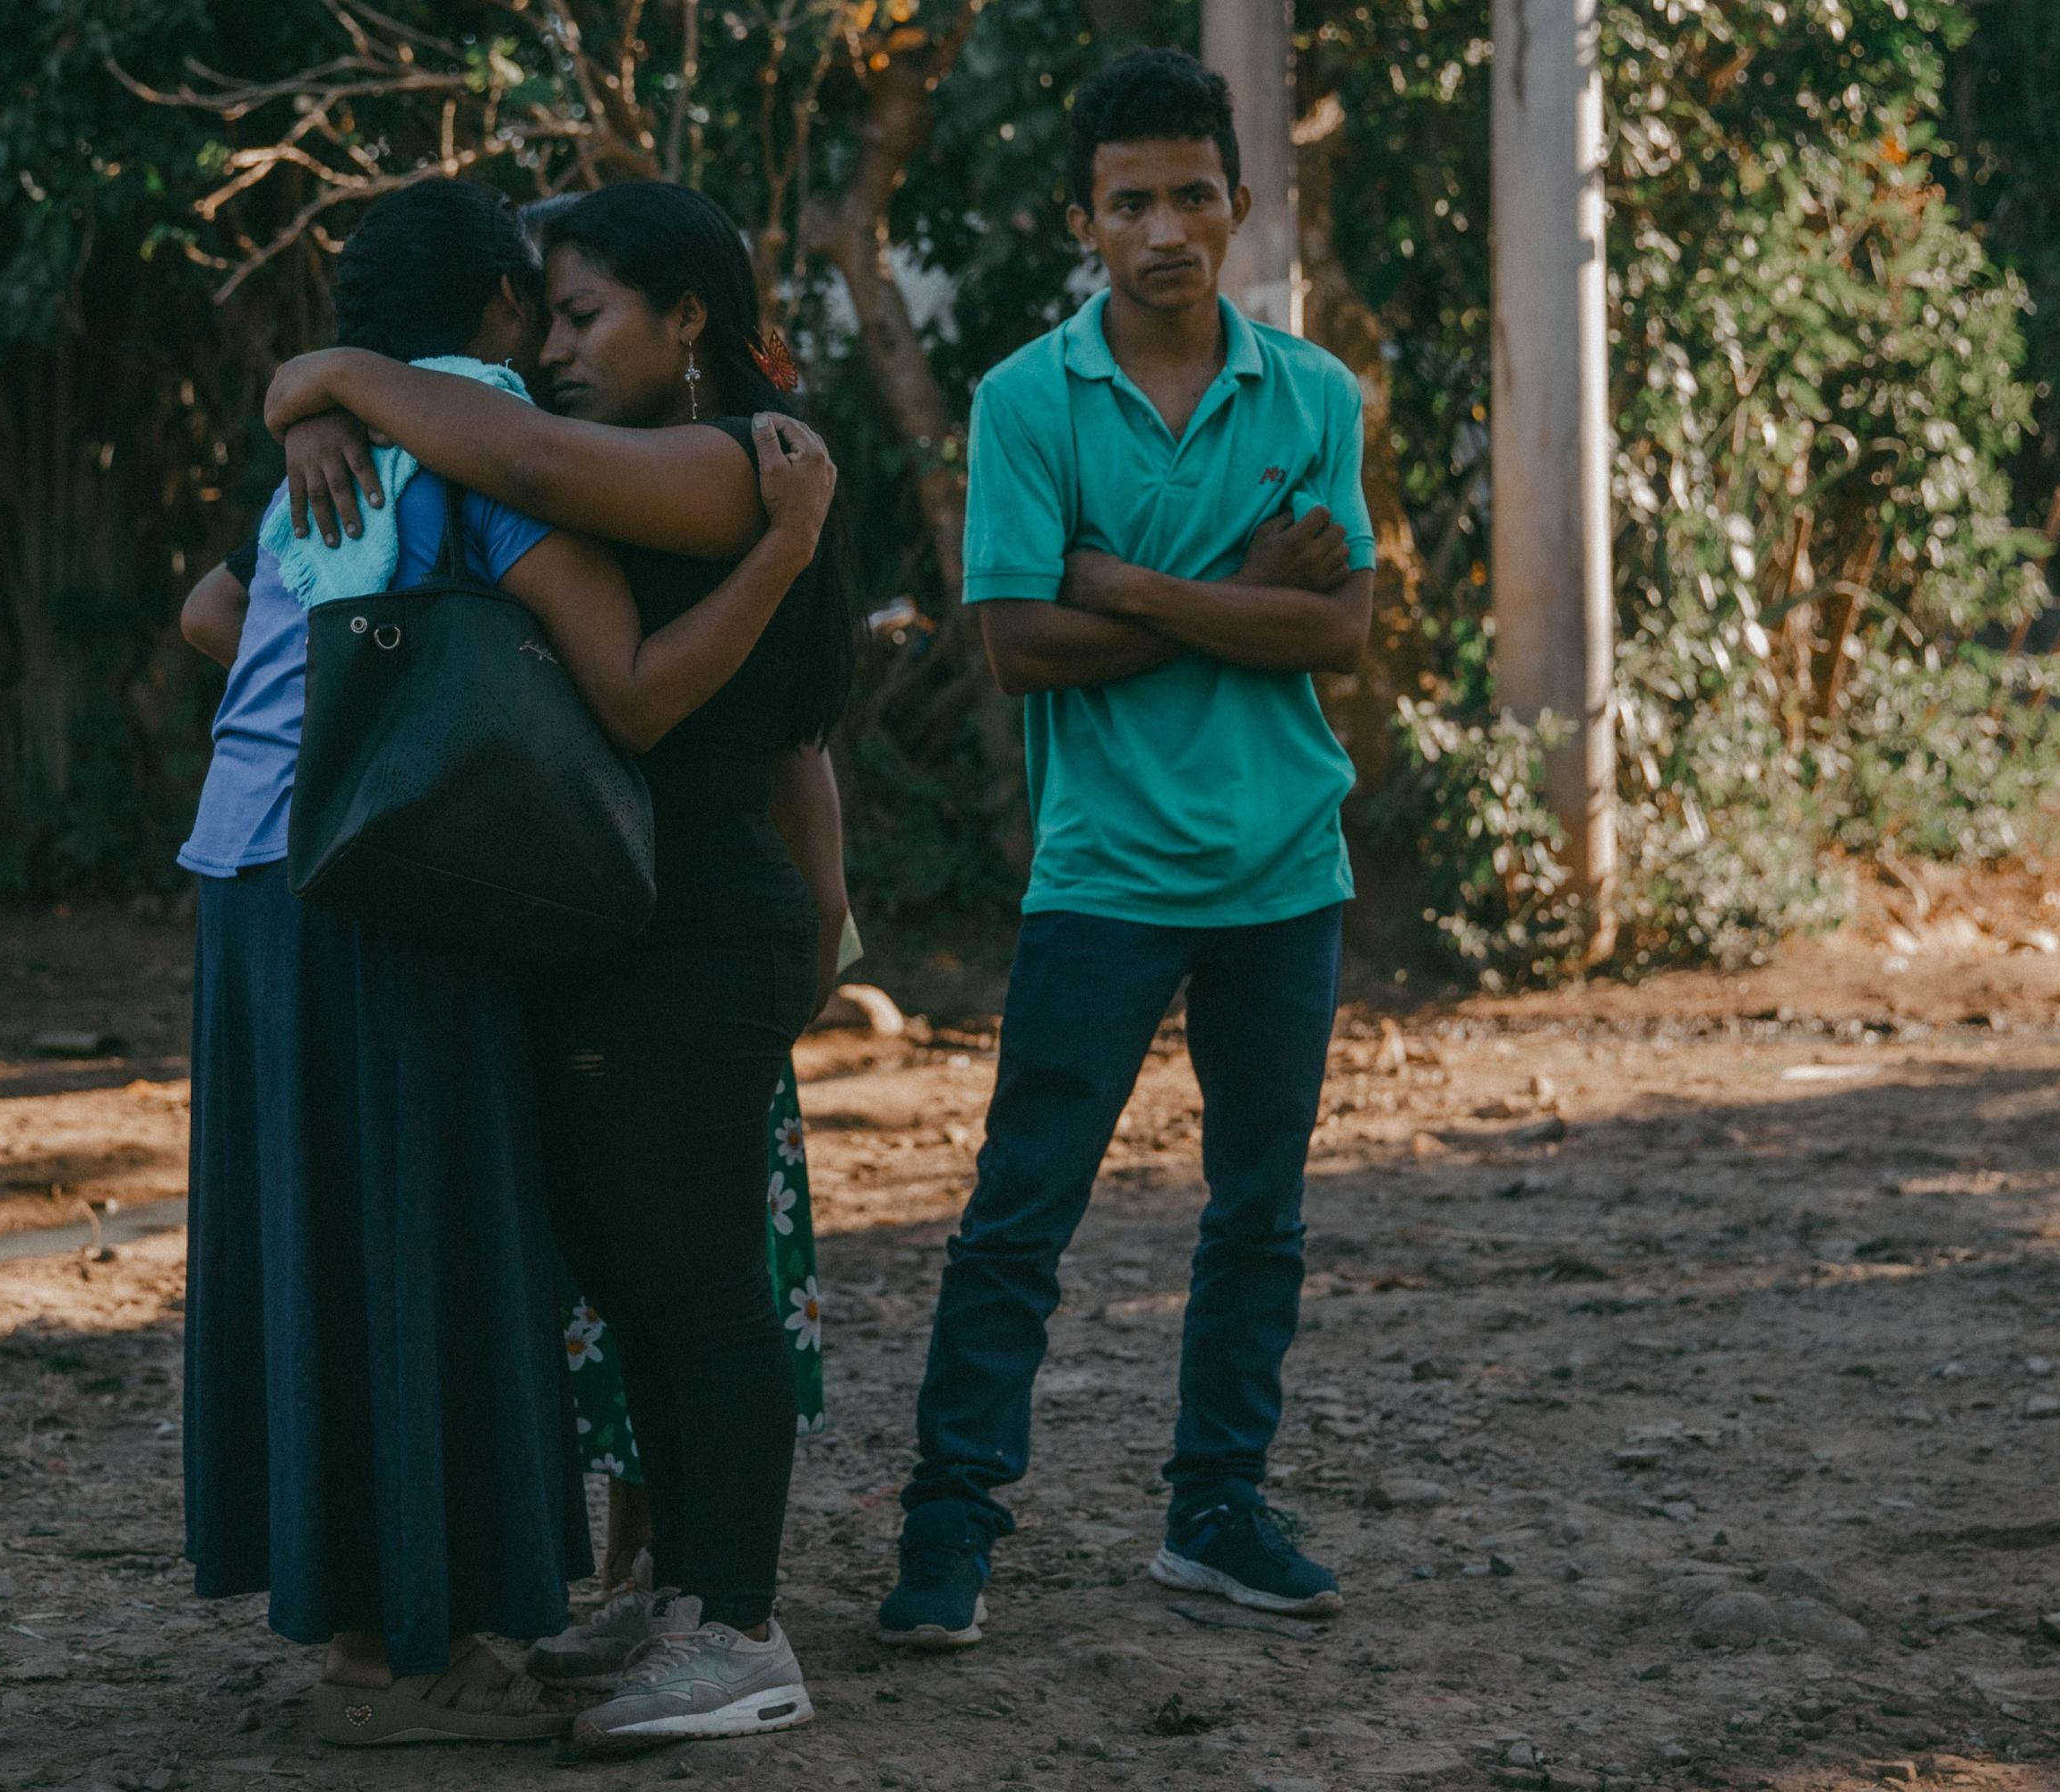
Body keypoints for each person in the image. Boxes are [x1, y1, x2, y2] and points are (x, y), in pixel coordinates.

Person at [177, 177, 835, 1748]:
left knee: (668, 1278)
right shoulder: (468, 431)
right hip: (547, 910)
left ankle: (724, 1622)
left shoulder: (740, 456)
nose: (549, 343)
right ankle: (643, 1610)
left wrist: (325, 383)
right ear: (486, 304)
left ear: (689, 320)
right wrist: (319, 410)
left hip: (660, 916)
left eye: (583, 313)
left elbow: (635, 657)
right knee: (591, 1268)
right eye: (539, 310)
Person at [875, 47, 1375, 1650]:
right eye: (1129, 200)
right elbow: (1020, 641)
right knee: (1021, 1214)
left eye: (1191, 194)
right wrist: (1246, 596)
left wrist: (1147, 586)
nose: (1164, 227)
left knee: (1259, 1216)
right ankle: (948, 1534)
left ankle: (1216, 1515)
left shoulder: (1312, 395)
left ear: (1238, 202)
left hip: (1285, 868)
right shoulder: (1030, 399)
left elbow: (1344, 628)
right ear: (1082, 218)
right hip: (1101, 874)